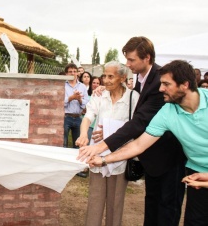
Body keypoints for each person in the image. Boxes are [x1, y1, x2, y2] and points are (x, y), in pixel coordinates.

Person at [78, 36, 186, 226]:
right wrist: (105, 87)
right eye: (126, 60)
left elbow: (139, 121)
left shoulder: (160, 79)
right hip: (150, 158)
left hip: (168, 157)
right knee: (152, 206)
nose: (128, 64)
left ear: (147, 58)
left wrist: (103, 144)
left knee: (166, 209)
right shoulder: (141, 78)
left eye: (131, 60)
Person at [88, 60, 208, 226]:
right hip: (198, 173)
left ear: (185, 85)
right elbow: (138, 145)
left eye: (166, 84)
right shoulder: (167, 111)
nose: (160, 89)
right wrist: (103, 159)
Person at [76, 61, 139, 226]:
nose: (106, 80)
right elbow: (89, 116)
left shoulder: (133, 98)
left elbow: (135, 128)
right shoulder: (99, 94)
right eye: (104, 75)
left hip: (119, 158)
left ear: (123, 77)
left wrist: (110, 132)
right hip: (96, 156)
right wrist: (83, 134)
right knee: (94, 202)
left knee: (115, 204)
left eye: (111, 76)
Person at [63, 63, 89, 149]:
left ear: (78, 73)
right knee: (63, 142)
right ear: (66, 73)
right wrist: (71, 98)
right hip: (66, 117)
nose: (73, 73)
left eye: (75, 71)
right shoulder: (63, 85)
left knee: (78, 144)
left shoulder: (82, 86)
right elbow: (60, 102)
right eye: (70, 72)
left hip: (78, 117)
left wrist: (79, 99)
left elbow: (86, 102)